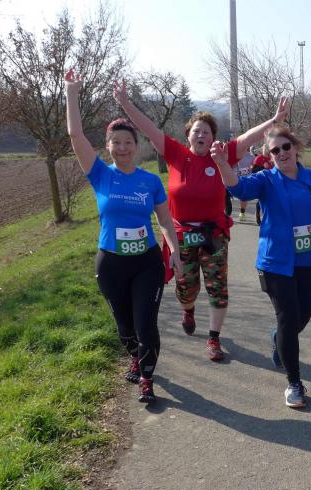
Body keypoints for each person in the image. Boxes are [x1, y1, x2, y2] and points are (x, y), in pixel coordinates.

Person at [115, 80, 288, 361]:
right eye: (197, 131)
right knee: (186, 288)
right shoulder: (176, 154)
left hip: (214, 234)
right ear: (188, 136)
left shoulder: (222, 155)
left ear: (213, 138)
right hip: (181, 235)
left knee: (218, 288)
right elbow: (149, 128)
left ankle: (213, 338)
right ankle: (188, 309)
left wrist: (275, 119)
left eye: (206, 132)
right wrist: (125, 103)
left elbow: (248, 138)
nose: (201, 135)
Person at [220, 126, 311, 408]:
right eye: (274, 150)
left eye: (285, 147)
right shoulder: (266, 180)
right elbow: (237, 187)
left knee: (301, 319)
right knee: (289, 319)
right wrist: (221, 163)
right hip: (276, 265)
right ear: (269, 156)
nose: (281, 153)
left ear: (295, 147)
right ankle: (294, 382)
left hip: (308, 263)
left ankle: (279, 338)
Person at [65, 68, 183, 403]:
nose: (122, 147)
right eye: (116, 142)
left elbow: (165, 219)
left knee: (146, 324)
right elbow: (76, 135)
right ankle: (134, 354)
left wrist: (174, 250)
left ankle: (147, 377)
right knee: (125, 326)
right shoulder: (100, 174)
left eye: (128, 142)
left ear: (137, 146)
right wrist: (71, 92)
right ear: (108, 147)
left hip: (146, 262)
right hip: (112, 263)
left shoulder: (150, 181)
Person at [249, 146, 273, 226]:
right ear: (263, 150)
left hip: (271, 181)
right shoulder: (259, 158)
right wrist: (263, 167)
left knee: (270, 199)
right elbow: (253, 171)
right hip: (261, 181)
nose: (267, 151)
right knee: (261, 199)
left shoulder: (272, 158)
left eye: (268, 149)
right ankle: (258, 217)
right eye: (265, 149)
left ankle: (269, 218)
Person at [235, 146, 257, 221]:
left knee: (244, 196)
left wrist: (251, 168)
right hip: (238, 178)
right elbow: (234, 165)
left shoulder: (251, 157)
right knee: (241, 196)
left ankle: (242, 212)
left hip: (248, 178)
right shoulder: (237, 156)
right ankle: (242, 212)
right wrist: (236, 171)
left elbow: (255, 166)